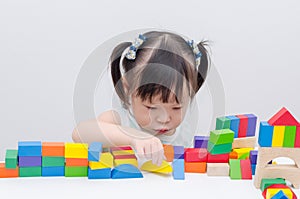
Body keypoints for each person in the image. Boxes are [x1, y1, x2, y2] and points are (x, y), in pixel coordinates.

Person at [72, 31, 210, 166]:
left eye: (176, 108)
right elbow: (79, 133)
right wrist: (133, 137)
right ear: (128, 88)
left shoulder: (183, 133)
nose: (163, 119)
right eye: (152, 107)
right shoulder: (119, 120)